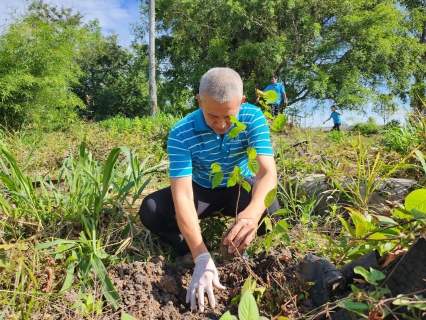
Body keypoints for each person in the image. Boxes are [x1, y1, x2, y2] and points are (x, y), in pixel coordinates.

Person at [139, 67, 279, 312]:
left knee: (272, 207)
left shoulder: (253, 117)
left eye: (229, 116)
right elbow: (182, 194)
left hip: (238, 187)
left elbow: (267, 173)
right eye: (213, 116)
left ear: (242, 102)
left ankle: (242, 243)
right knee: (151, 210)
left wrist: (251, 215)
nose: (222, 125)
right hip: (202, 191)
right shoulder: (181, 133)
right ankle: (199, 251)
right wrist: (200, 257)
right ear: (200, 101)